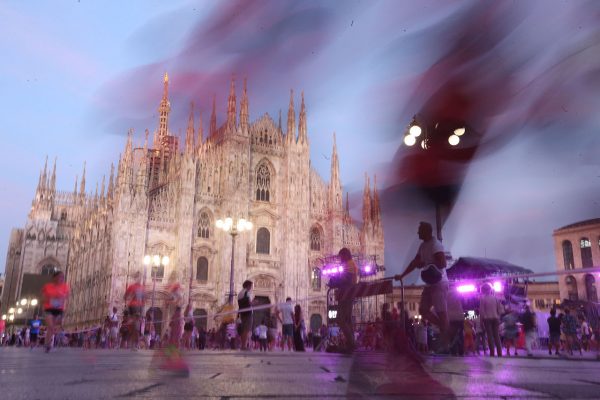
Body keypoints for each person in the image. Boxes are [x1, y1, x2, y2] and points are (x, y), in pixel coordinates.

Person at [395, 222, 448, 350]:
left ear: (426, 231)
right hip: (430, 283)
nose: (418, 233)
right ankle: (445, 328)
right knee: (423, 310)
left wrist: (426, 262)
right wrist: (402, 275)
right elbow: (415, 262)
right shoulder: (423, 246)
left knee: (441, 313)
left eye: (420, 230)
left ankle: (446, 342)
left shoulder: (435, 245)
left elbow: (443, 263)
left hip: (439, 283)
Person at [337, 247, 359, 353]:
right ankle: (351, 343)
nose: (340, 258)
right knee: (347, 320)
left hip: (346, 294)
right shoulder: (350, 264)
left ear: (345, 255)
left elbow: (348, 280)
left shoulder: (349, 264)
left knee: (340, 319)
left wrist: (337, 279)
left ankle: (351, 343)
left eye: (341, 256)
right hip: (348, 294)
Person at [41, 271, 70, 353]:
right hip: (49, 308)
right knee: (50, 326)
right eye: (59, 276)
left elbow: (67, 296)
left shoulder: (65, 287)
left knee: (52, 327)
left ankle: (47, 344)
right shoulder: (47, 287)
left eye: (62, 277)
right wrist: (51, 297)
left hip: (59, 309)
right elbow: (42, 299)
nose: (61, 279)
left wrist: (62, 297)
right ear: (54, 277)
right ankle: (60, 338)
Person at [479, 283, 503, 357]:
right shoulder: (496, 298)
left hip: (487, 319)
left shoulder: (483, 298)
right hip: (495, 318)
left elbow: (482, 311)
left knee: (490, 336)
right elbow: (500, 310)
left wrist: (481, 321)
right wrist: (498, 317)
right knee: (497, 336)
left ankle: (492, 353)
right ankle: (499, 353)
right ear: (490, 289)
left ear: (482, 290)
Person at [124, 272, 145, 351]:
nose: (139, 279)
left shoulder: (140, 288)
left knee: (135, 327)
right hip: (135, 308)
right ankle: (134, 344)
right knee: (135, 327)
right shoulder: (135, 287)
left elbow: (125, 296)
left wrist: (129, 297)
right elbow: (125, 296)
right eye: (138, 277)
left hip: (135, 308)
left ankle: (134, 344)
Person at [447, 287, 465, 356]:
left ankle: (453, 352)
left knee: (452, 335)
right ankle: (461, 351)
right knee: (460, 335)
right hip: (459, 317)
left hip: (451, 317)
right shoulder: (458, 294)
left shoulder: (446, 295)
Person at [237, 280, 255, 350]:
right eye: (251, 286)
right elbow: (249, 303)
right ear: (248, 286)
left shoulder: (240, 293)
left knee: (243, 329)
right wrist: (254, 302)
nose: (251, 287)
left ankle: (242, 345)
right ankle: (244, 346)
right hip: (248, 312)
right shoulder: (247, 292)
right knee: (246, 329)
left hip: (242, 312)